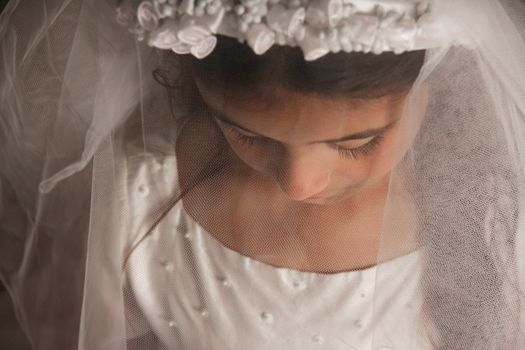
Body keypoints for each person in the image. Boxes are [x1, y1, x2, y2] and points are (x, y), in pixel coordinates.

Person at [0, 0, 524, 349]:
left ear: (431, 89)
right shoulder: (136, 210)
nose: (300, 183)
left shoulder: (485, 216)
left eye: (356, 143)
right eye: (246, 133)